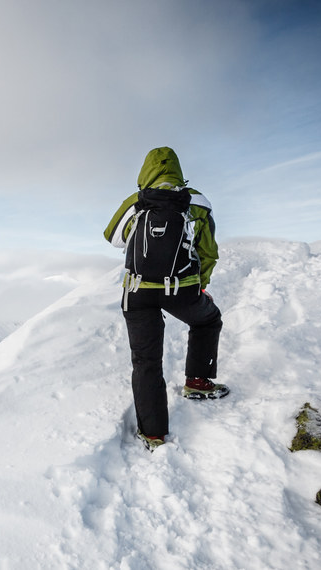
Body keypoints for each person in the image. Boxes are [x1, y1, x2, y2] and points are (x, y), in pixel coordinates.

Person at [104, 147, 227, 451]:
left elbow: (113, 237)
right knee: (208, 320)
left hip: (136, 291)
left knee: (146, 361)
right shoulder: (197, 202)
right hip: (180, 288)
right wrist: (200, 285)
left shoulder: (136, 201)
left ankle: (154, 434)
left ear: (146, 171)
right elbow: (208, 251)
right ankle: (197, 382)